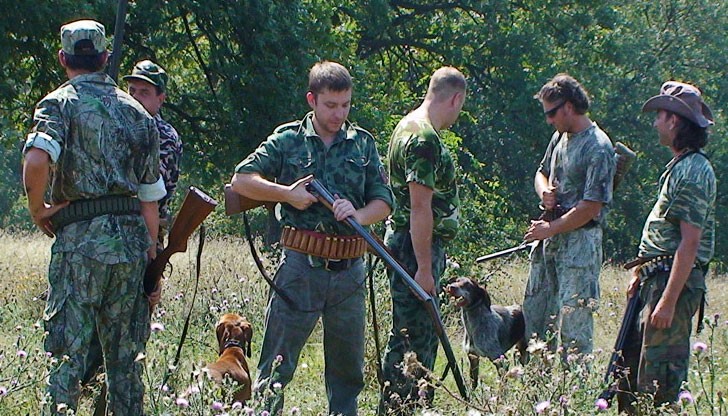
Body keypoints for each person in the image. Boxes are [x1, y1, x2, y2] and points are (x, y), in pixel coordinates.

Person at [230, 61, 392, 416]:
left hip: (350, 270)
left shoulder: (363, 144)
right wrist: (286, 194)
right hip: (301, 268)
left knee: (347, 375)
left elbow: (384, 201)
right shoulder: (288, 139)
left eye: (346, 105)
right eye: (331, 105)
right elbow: (242, 180)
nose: (339, 113)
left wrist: (358, 215)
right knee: (275, 368)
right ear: (312, 100)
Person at [21, 19, 165, 415]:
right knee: (126, 364)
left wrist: (39, 211)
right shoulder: (139, 112)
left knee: (66, 357)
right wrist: (151, 254)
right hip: (132, 243)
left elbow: (36, 159)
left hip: (80, 244)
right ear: (105, 58)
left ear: (63, 58)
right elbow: (150, 197)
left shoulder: (59, 103)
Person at [617, 81, 715, 413]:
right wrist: (642, 275)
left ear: (674, 120)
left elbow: (690, 242)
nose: (655, 122)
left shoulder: (693, 171)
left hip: (671, 285)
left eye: (660, 115)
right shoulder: (680, 167)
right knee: (629, 374)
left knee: (658, 383)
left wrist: (668, 302)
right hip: (655, 279)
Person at [379, 66, 466, 414]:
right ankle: (404, 409)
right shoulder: (424, 138)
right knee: (414, 340)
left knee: (411, 335)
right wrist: (426, 268)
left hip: (409, 245)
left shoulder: (406, 126)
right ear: (455, 98)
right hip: (416, 250)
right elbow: (419, 207)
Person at [523, 74, 615, 359]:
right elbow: (541, 173)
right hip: (550, 244)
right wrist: (544, 192)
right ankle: (537, 394)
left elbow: (591, 207)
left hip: (580, 247)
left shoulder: (598, 146)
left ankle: (573, 396)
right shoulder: (559, 138)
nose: (549, 120)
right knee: (535, 321)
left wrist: (550, 229)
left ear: (569, 106)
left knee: (574, 330)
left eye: (552, 113)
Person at [123, 59, 183, 252]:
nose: (135, 97)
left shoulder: (164, 136)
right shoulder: (119, 127)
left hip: (145, 232)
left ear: (161, 99)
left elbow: (151, 195)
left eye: (144, 92)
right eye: (131, 91)